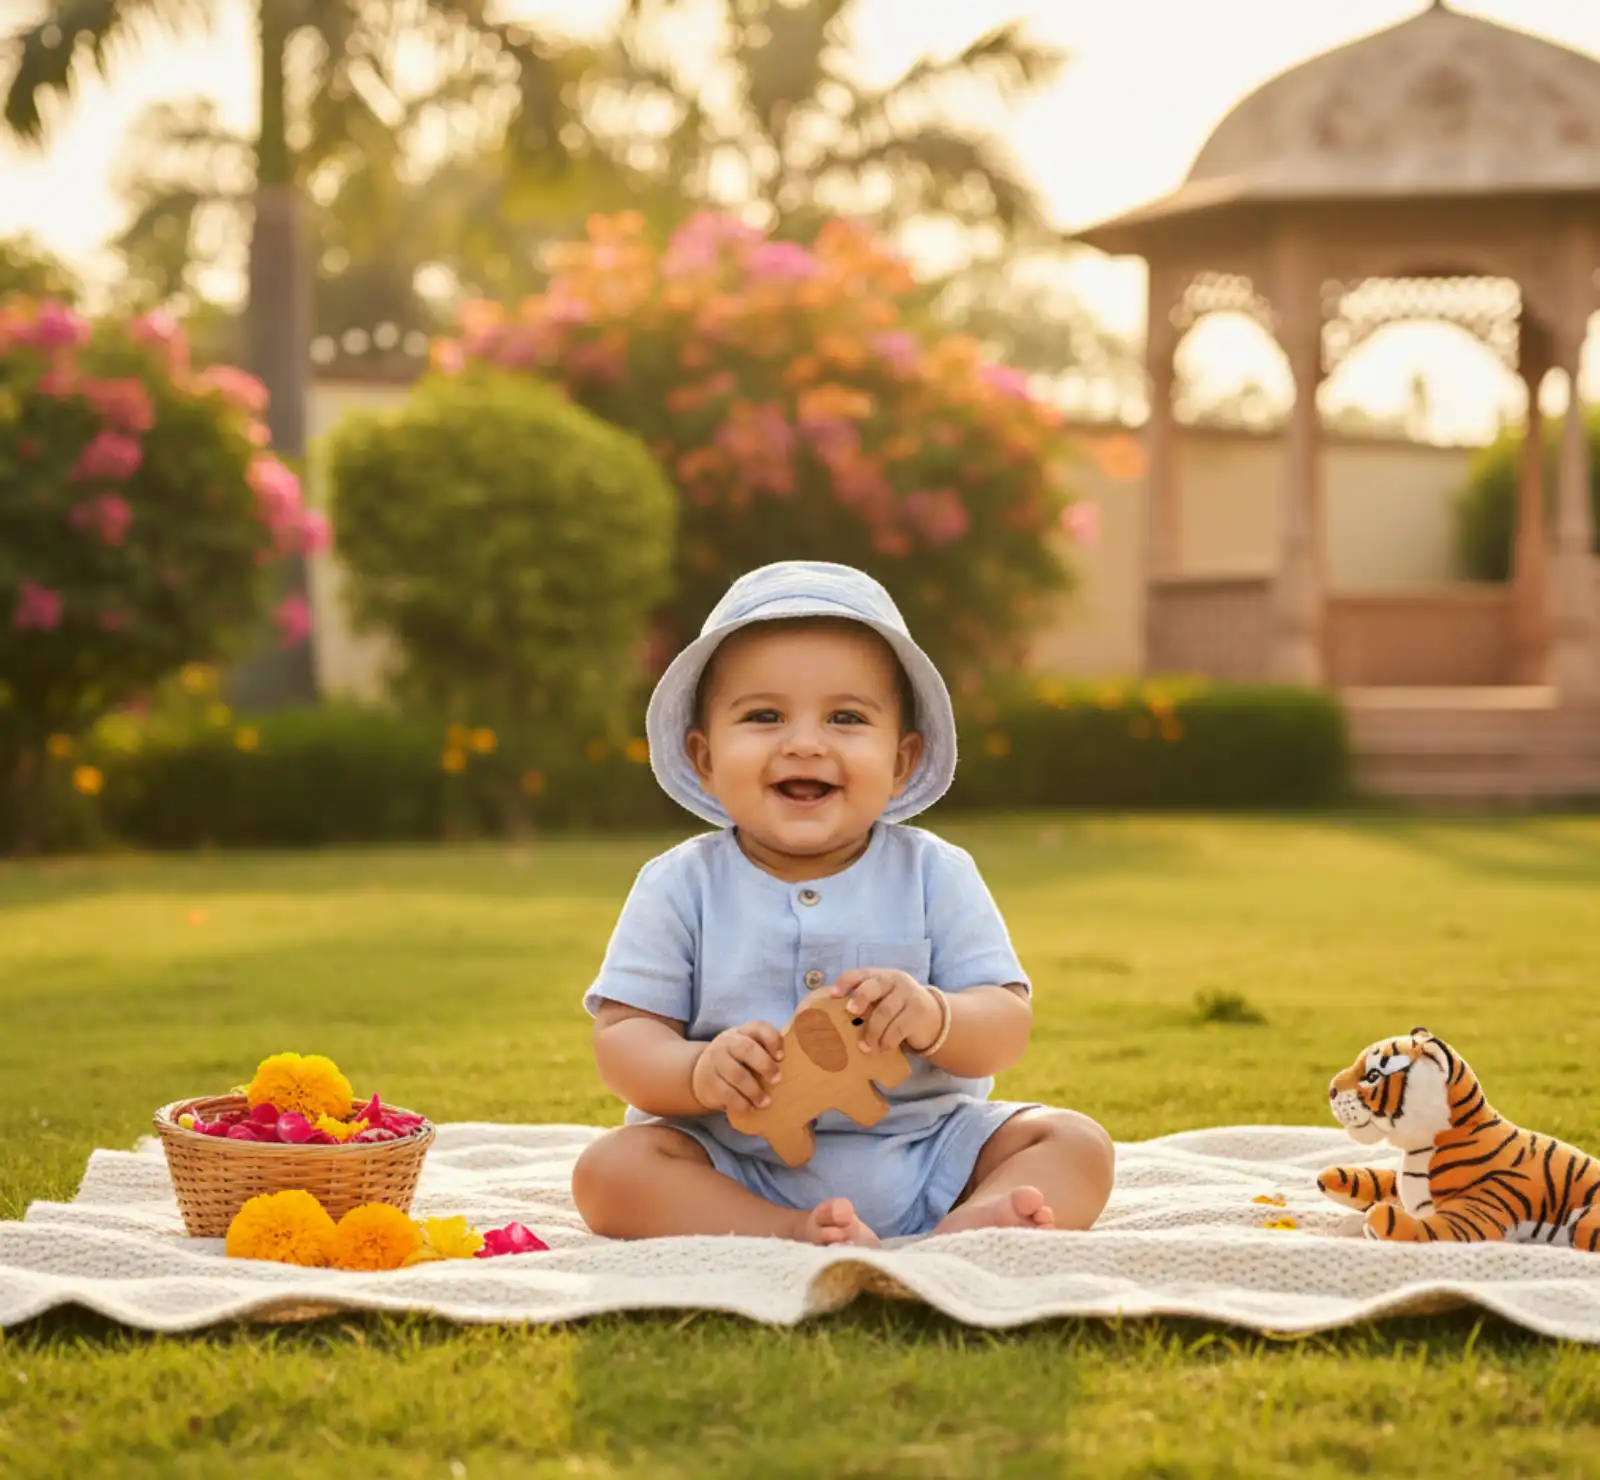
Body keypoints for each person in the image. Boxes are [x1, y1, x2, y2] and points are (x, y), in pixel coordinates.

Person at [572, 561, 1115, 1245]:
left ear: (902, 760)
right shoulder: (679, 885)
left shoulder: (933, 873)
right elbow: (624, 1039)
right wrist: (697, 1071)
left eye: (847, 717)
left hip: (928, 1152)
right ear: (705, 758)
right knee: (608, 1172)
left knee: (1074, 1142)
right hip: (735, 1162)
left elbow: (1006, 1022)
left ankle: (972, 1222)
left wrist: (933, 1013)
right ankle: (784, 1230)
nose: (805, 742)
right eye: (764, 716)